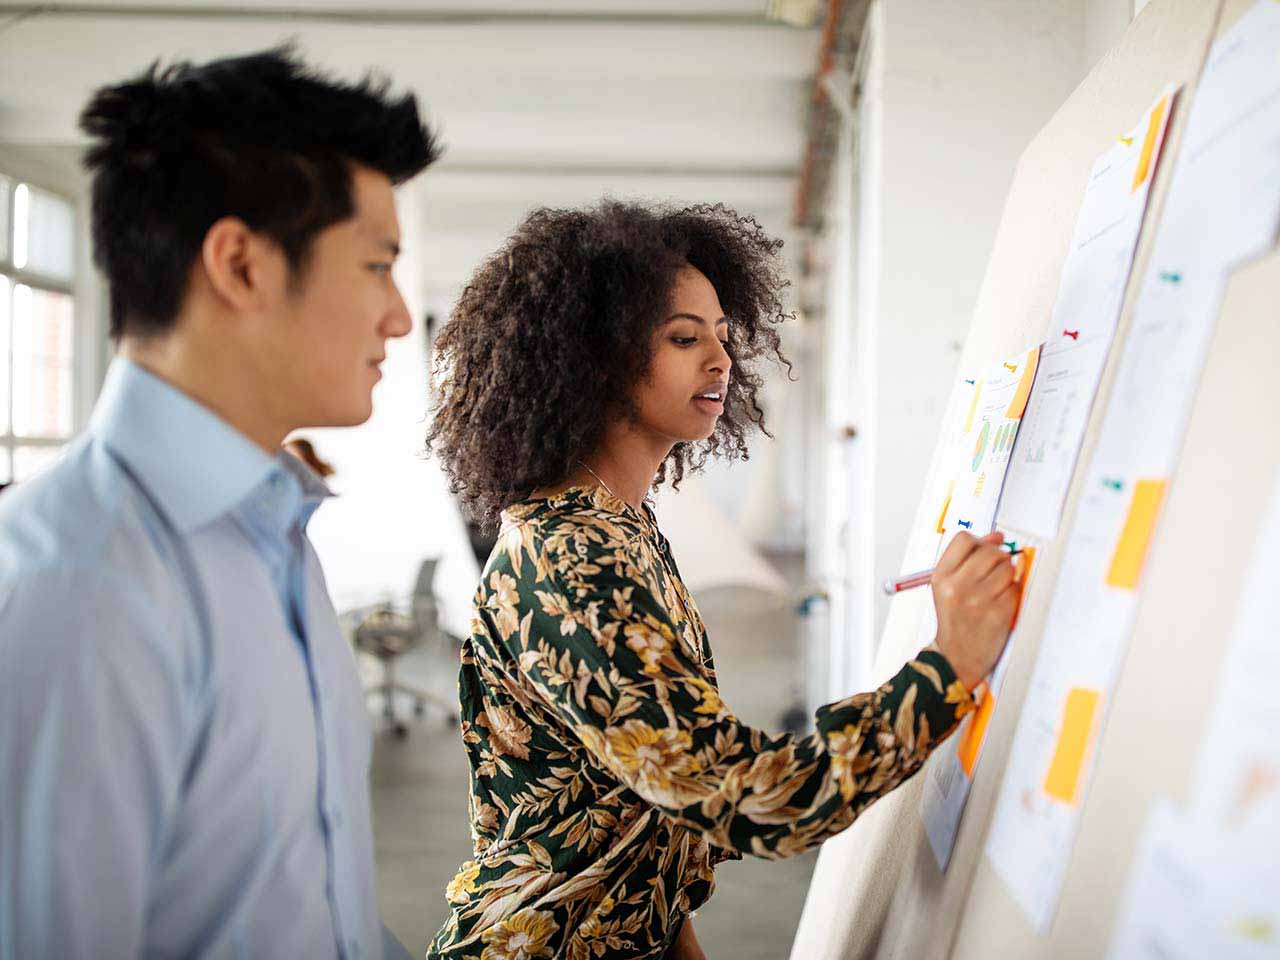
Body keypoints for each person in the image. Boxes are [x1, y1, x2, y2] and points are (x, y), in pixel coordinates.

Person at [424, 201, 1018, 960]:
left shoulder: (619, 526)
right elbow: (749, 798)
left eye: (723, 336)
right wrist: (949, 667)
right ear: (595, 358)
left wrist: (674, 933)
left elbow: (637, 795)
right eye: (683, 337)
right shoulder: (572, 557)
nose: (721, 358)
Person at [0, 48, 439, 958]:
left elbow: (309, 911)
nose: (398, 316)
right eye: (376, 265)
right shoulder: (84, 584)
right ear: (241, 264)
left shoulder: (276, 535)